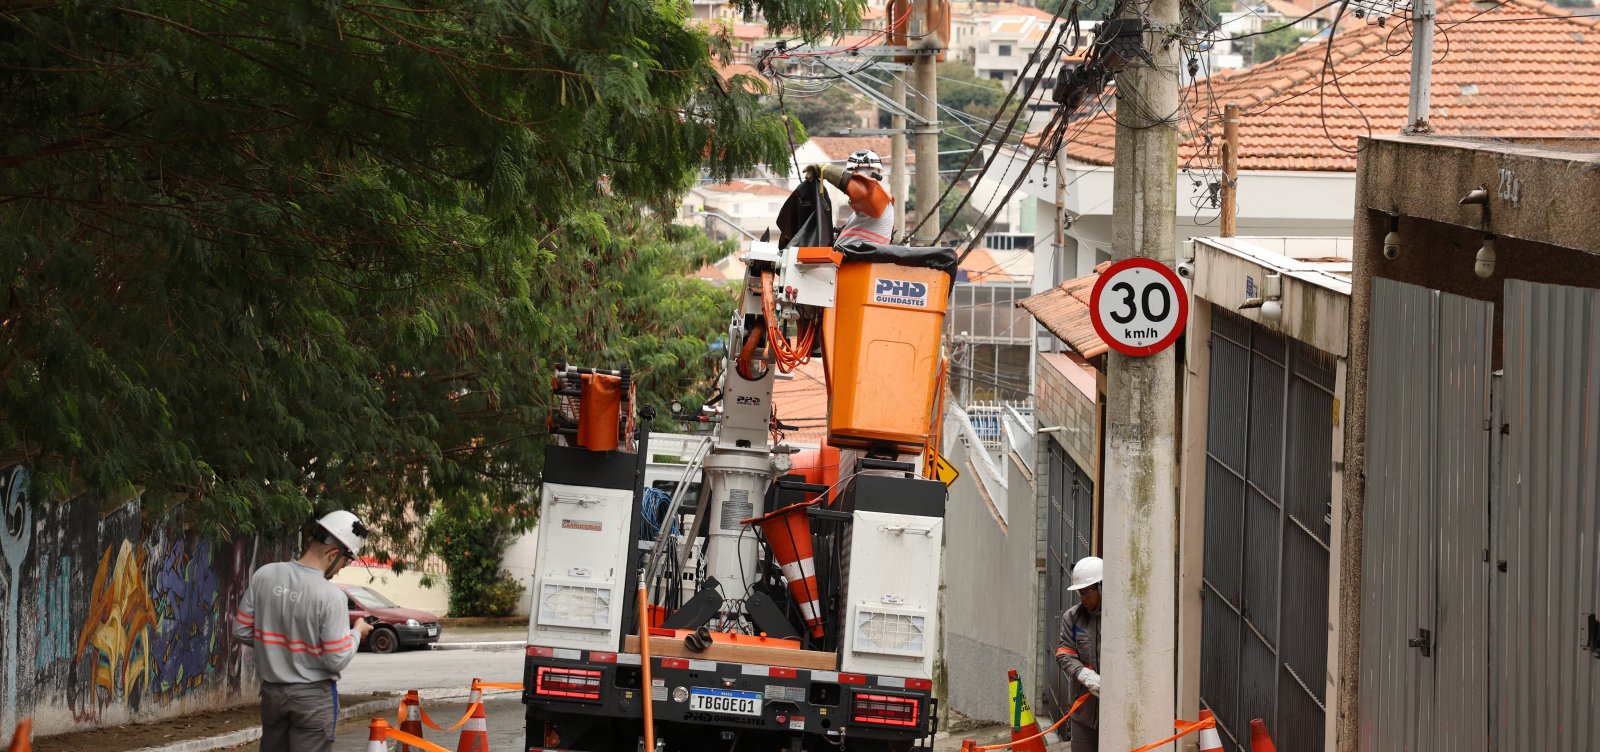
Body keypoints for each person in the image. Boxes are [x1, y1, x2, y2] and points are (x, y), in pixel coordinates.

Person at [232, 511, 374, 752]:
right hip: (313, 698)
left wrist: (278, 645)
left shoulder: (265, 574)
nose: (341, 569)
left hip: (272, 694)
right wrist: (357, 633)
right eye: (345, 561)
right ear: (332, 554)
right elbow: (335, 659)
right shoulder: (331, 596)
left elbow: (241, 629)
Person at [1055, 556, 1103, 752]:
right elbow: (1063, 654)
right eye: (1080, 593)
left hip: (1115, 710)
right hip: (1083, 711)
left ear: (1101, 587)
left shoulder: (1119, 618)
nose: (1084, 598)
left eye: (1088, 592)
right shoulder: (1073, 618)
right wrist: (1085, 676)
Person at [803, 149, 896, 245]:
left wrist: (827, 170)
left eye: (860, 172)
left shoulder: (881, 200)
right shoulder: (862, 212)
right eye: (853, 172)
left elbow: (863, 191)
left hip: (859, 259)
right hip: (851, 257)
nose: (857, 176)